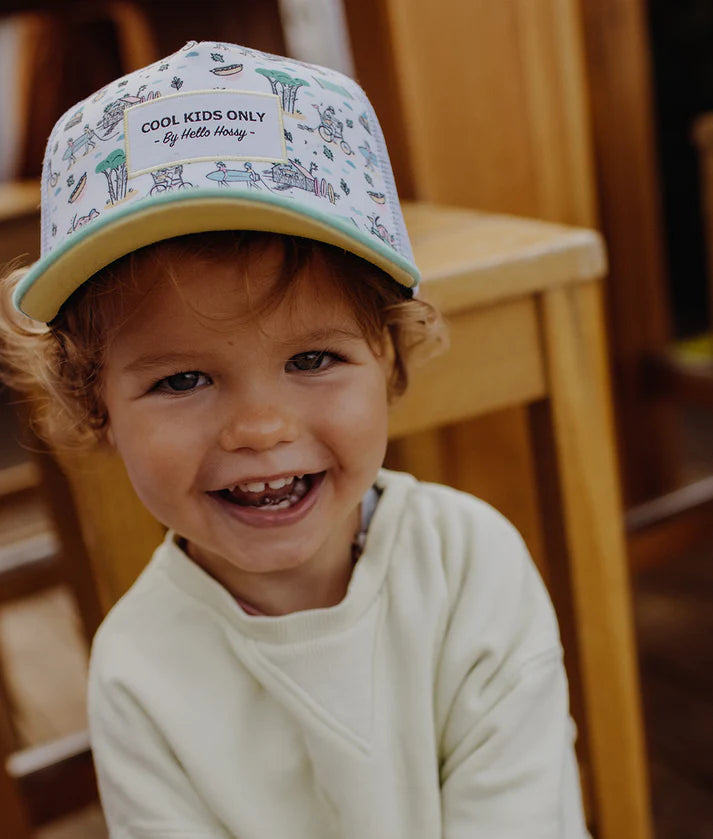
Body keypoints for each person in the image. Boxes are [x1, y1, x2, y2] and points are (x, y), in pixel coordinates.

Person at [0, 40, 590, 838]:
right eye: (181, 380)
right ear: (93, 403)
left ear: (387, 356)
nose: (260, 428)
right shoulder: (138, 672)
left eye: (312, 358)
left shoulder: (466, 567)